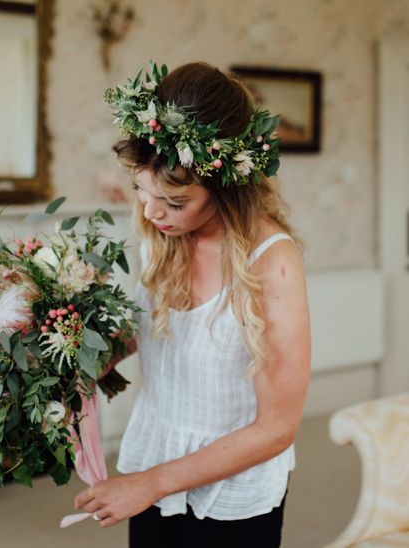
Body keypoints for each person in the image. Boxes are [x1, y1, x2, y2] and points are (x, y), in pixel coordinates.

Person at [73, 61, 311, 547]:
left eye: (175, 202)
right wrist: (66, 359)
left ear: (225, 188)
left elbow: (276, 429)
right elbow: (152, 333)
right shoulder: (161, 236)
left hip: (233, 490)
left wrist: (148, 483)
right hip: (157, 457)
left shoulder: (272, 264)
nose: (151, 211)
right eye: (142, 190)